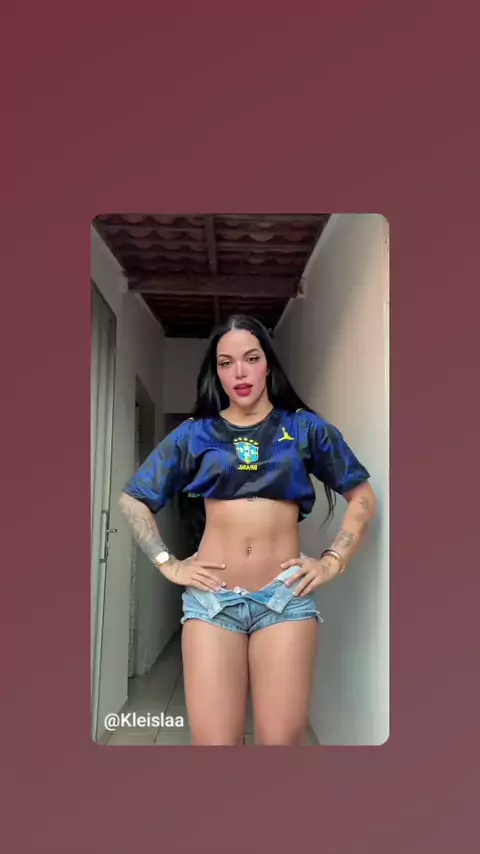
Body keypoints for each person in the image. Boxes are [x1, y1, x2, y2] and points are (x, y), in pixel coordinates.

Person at [119, 314, 377, 746]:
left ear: (267, 364)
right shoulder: (196, 433)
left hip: (284, 599)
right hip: (212, 602)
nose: (239, 372)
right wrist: (168, 563)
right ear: (216, 372)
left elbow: (363, 497)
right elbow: (133, 499)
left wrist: (333, 561)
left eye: (251, 358)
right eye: (226, 362)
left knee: (279, 743)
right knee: (215, 746)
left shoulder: (304, 428)